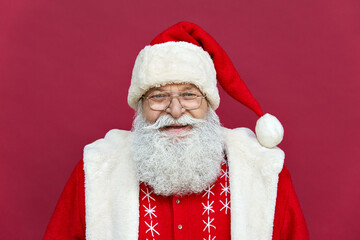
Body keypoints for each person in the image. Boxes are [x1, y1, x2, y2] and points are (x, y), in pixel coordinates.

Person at [44, 22, 309, 240]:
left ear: (209, 104)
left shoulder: (262, 170)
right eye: (158, 96)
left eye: (189, 95)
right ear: (139, 107)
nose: (175, 110)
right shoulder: (97, 169)